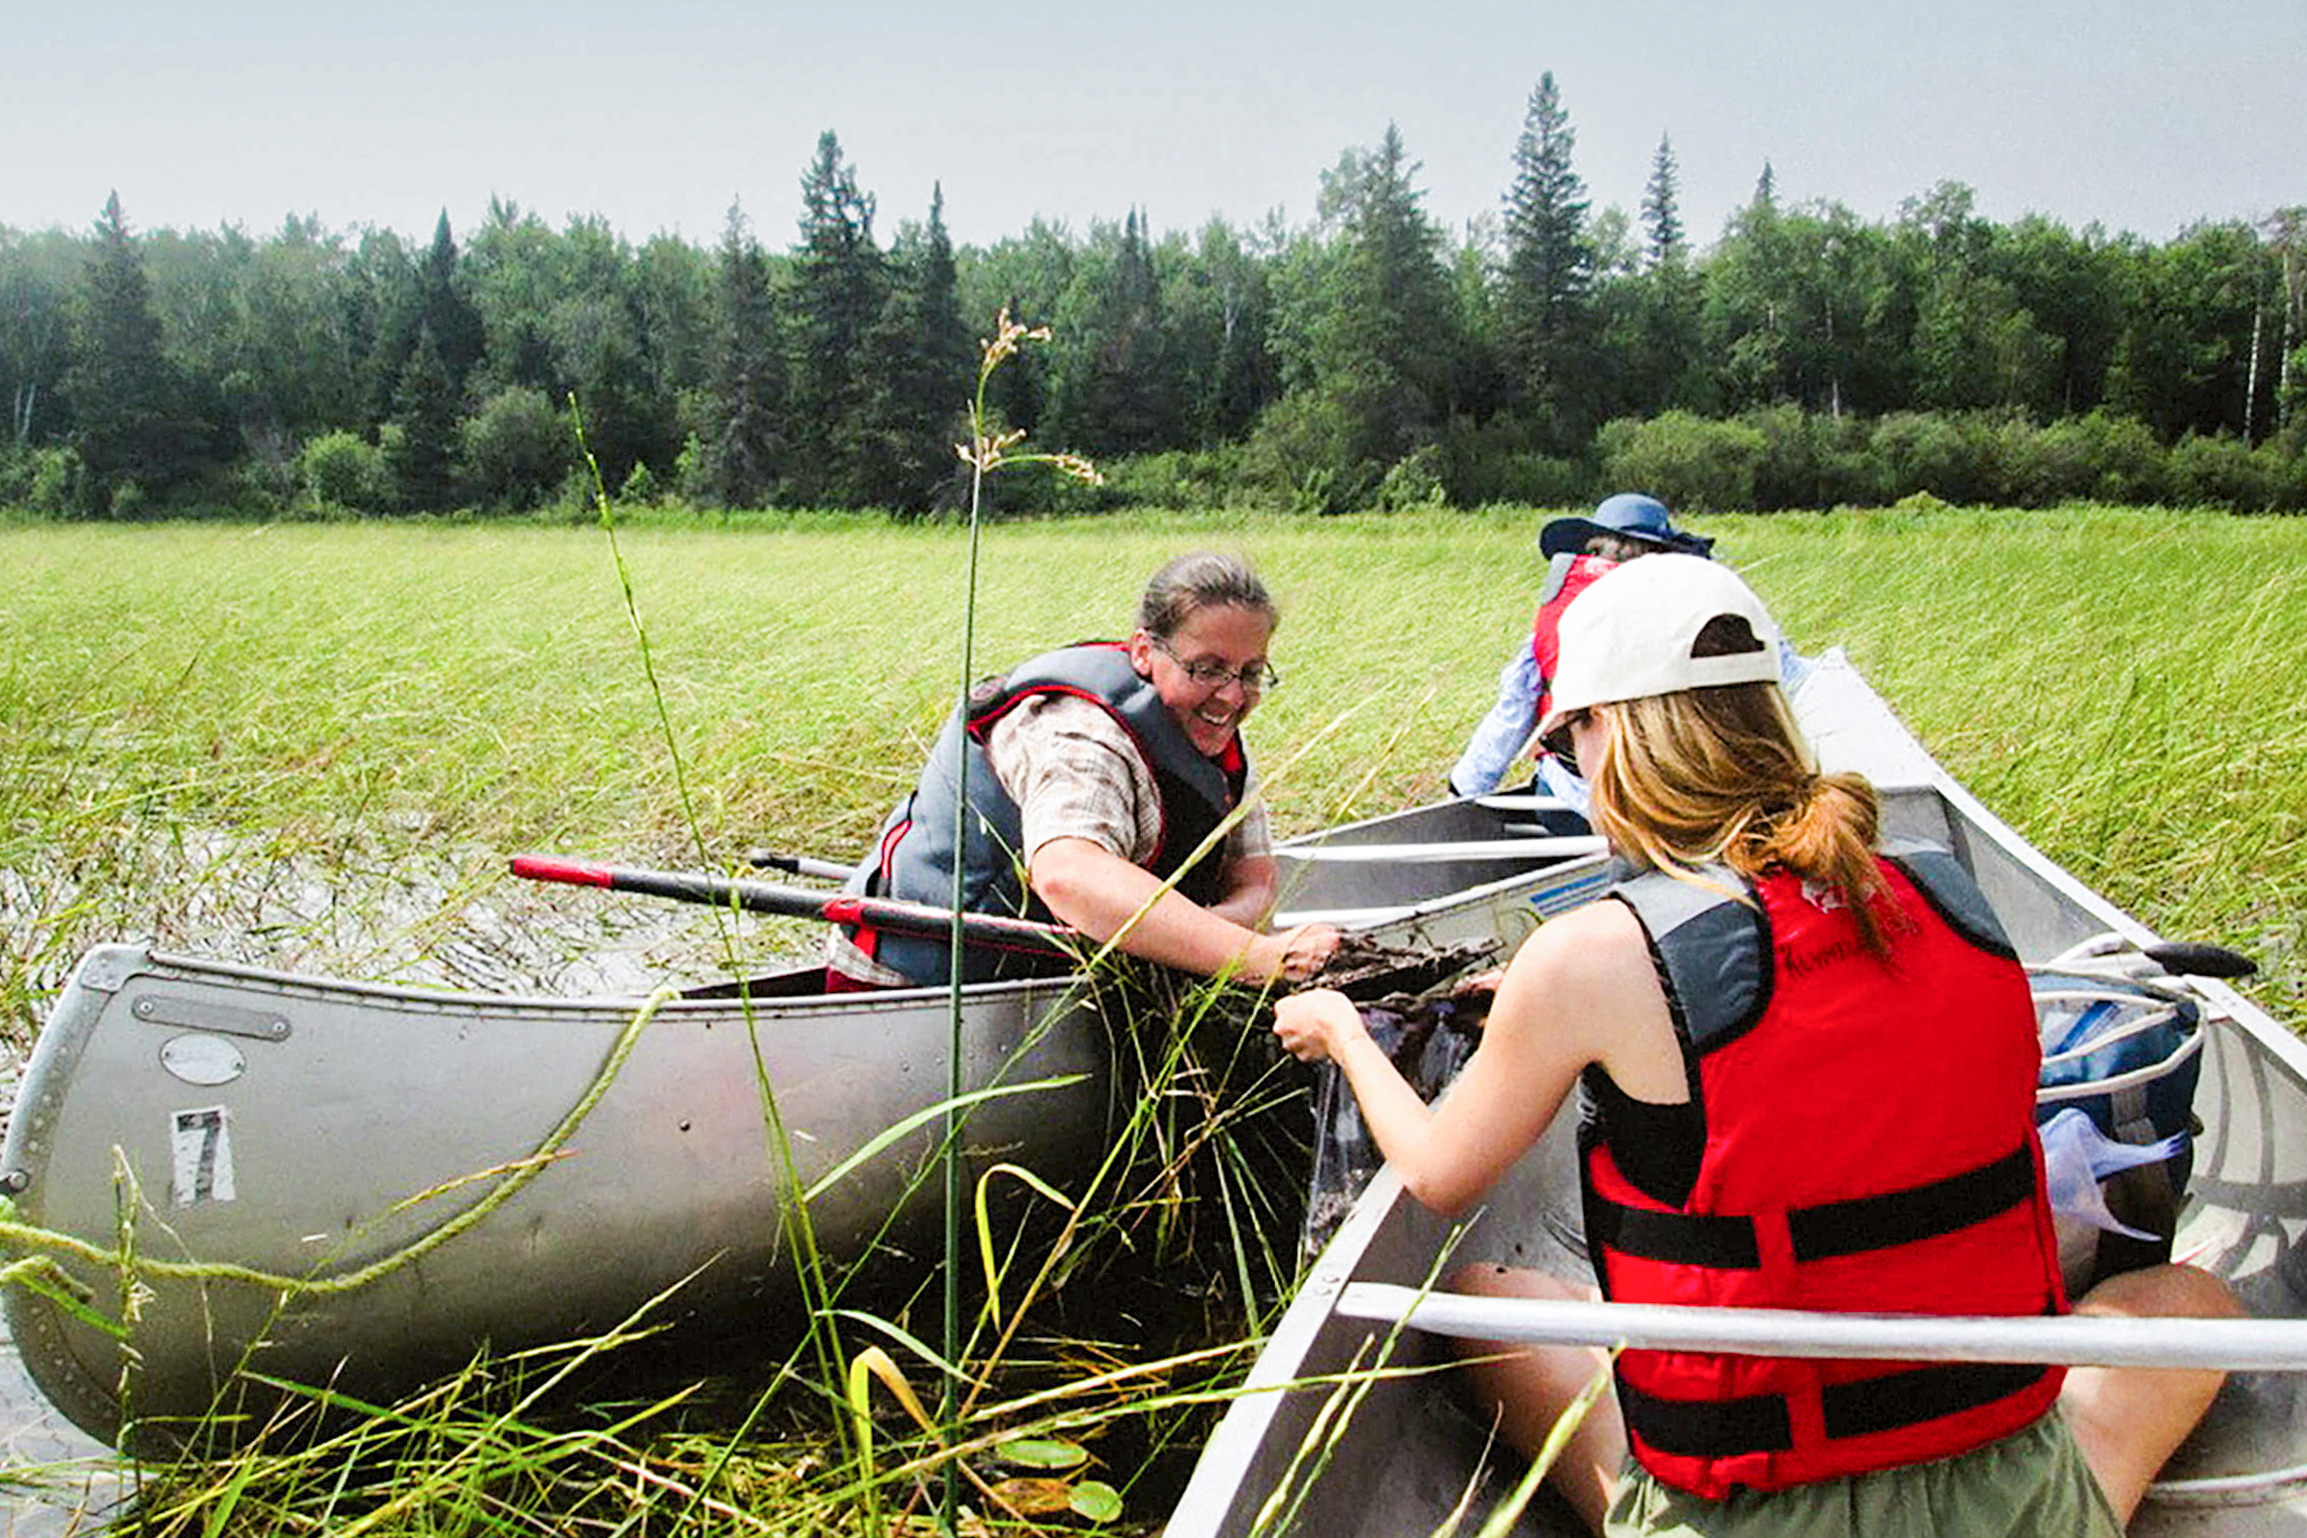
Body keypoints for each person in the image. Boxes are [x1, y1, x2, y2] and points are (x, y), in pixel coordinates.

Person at [1275, 554, 2238, 1536]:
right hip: (2004, 1494)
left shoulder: (1588, 956)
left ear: (1614, 733)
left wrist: (1343, 1031)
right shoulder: (1944, 889)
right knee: (2192, 1298)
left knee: (1491, 1295)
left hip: (1749, 1507)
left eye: (1571, 741)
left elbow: (1440, 1173)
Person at [828, 551, 1341, 991]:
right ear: (1144, 651)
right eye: (1205, 668)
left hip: (1060, 977)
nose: (1231, 696)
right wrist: (1255, 957)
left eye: (1249, 673)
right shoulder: (1078, 733)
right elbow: (1070, 875)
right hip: (922, 976)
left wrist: (1196, 938)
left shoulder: (1213, 732)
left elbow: (1255, 882)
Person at [1448, 493, 1806, 827]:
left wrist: (1466, 786)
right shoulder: (1695, 612)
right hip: (1658, 806)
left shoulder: (1560, 620)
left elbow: (1513, 708)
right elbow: (1790, 675)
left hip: (1567, 803)